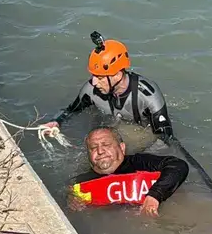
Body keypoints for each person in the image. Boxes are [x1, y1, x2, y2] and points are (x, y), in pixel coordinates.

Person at [43, 32, 176, 151]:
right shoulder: (90, 90)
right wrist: (57, 121)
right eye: (93, 75)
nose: (94, 82)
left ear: (117, 75)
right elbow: (71, 110)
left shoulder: (148, 96)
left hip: (137, 131)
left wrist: (133, 158)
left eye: (100, 77)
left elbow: (165, 138)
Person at [72, 127, 189, 217]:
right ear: (88, 155)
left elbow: (178, 166)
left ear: (122, 148)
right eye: (93, 148)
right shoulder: (81, 183)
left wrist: (155, 196)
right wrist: (72, 201)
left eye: (106, 145)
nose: (100, 151)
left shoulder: (140, 163)